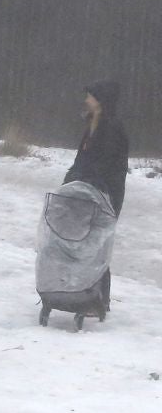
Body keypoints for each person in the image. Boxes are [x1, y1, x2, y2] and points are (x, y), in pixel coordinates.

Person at [64, 79, 129, 303]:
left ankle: (99, 298)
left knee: (98, 244)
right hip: (88, 192)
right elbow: (82, 159)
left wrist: (86, 182)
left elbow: (104, 164)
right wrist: (69, 182)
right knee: (89, 243)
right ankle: (88, 294)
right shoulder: (94, 125)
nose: (86, 100)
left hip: (105, 194)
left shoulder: (111, 128)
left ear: (100, 101)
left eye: (90, 96)